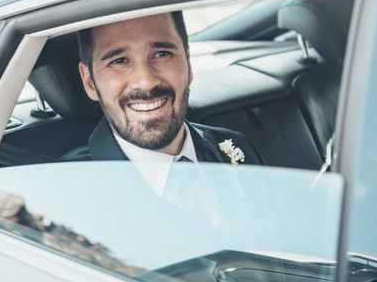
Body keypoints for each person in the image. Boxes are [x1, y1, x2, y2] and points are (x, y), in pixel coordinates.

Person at [62, 11, 263, 193]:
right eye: (120, 61)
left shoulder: (237, 147)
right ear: (89, 82)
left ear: (188, 63)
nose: (146, 82)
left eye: (162, 54)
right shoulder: (66, 188)